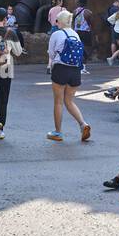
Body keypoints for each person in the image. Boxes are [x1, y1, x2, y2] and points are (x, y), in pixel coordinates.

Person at [46, 9, 90, 143]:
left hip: (61, 68)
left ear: (60, 22)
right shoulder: (75, 34)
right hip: (75, 70)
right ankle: (83, 124)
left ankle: (58, 132)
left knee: (58, 102)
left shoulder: (56, 34)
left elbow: (51, 53)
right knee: (69, 101)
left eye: (57, 20)